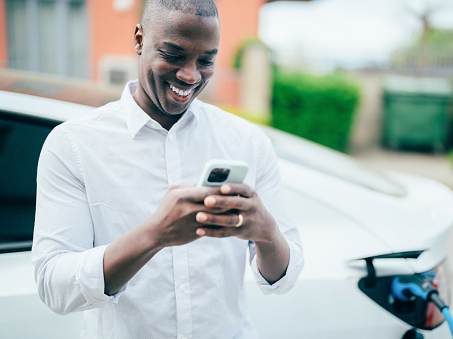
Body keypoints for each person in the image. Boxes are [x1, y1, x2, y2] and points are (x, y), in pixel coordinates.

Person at [31, 0, 304, 338]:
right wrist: (154, 235)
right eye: (173, 55)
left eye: (206, 61)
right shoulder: (73, 145)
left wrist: (265, 232)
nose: (190, 75)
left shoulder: (247, 142)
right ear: (139, 39)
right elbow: (53, 287)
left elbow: (284, 280)